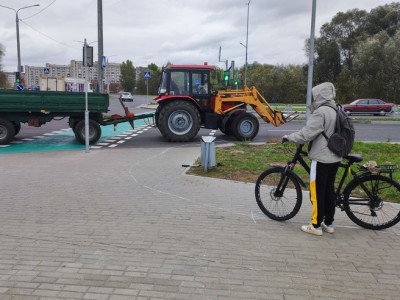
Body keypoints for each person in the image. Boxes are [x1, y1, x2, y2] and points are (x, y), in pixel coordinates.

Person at [282, 82, 341, 236]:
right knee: (328, 191)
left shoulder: (321, 112)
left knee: (317, 193)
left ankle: (315, 225)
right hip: (335, 157)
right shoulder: (335, 109)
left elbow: (307, 134)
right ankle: (329, 223)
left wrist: (290, 137)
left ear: (320, 95)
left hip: (322, 158)